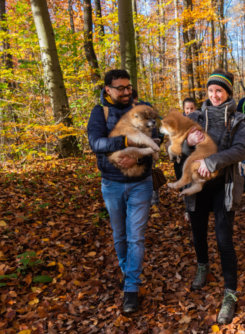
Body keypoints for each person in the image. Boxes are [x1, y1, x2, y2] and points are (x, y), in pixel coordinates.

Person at [179, 69, 245, 324]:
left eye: (219, 90)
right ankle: (202, 267)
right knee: (198, 232)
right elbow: (178, 150)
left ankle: (230, 292)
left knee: (224, 240)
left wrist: (212, 161)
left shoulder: (239, 119)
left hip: (225, 185)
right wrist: (188, 142)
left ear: (228, 92)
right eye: (210, 90)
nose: (214, 95)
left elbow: (241, 150)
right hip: (198, 187)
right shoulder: (195, 116)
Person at [87, 70, 154, 313]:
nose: (126, 92)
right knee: (120, 236)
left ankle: (131, 289)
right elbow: (96, 143)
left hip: (140, 183)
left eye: (128, 87)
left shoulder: (144, 108)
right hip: (112, 183)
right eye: (120, 88)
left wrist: (137, 161)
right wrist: (125, 142)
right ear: (108, 90)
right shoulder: (100, 112)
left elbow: (155, 142)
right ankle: (128, 273)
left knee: (136, 236)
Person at [173, 97, 197, 181]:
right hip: (181, 159)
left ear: (195, 108)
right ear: (183, 108)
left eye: (192, 108)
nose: (189, 111)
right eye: (187, 108)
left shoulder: (200, 121)